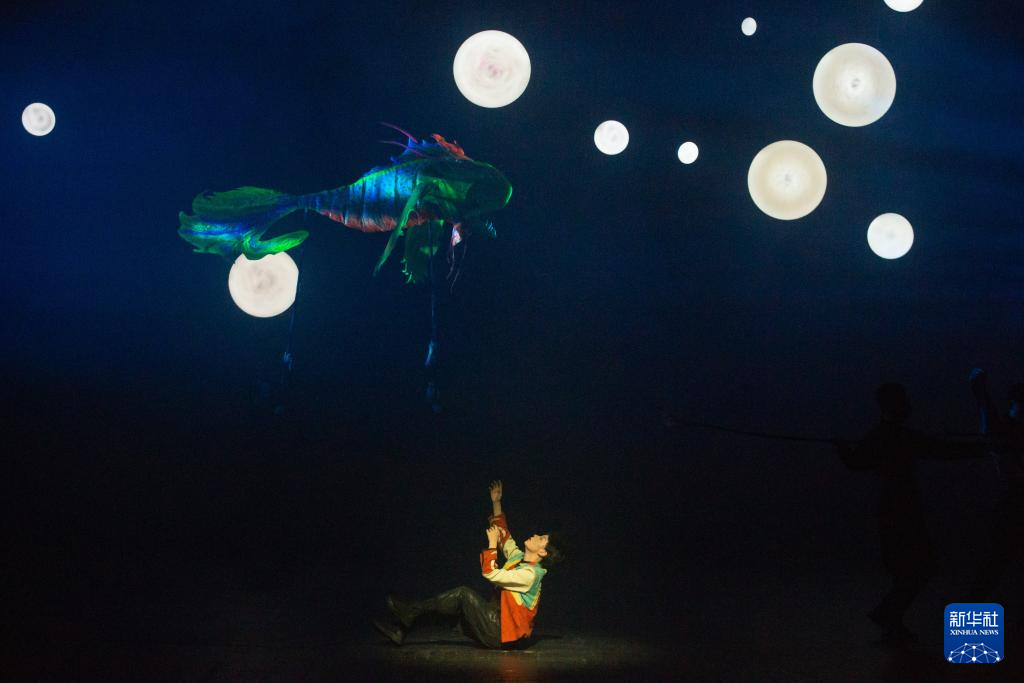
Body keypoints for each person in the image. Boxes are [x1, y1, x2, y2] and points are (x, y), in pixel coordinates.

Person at [836, 382, 984, 644]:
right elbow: (943, 450)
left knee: (906, 568)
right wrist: (983, 449)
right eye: (903, 402)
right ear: (893, 405)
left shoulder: (879, 436)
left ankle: (891, 621)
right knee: (920, 567)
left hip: (890, 509)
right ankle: (887, 616)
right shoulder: (898, 437)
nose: (908, 407)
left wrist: (843, 450)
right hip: (902, 510)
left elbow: (856, 463)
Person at [373, 480, 563, 649]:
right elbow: (504, 535)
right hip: (495, 623)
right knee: (450, 609)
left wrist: (491, 544)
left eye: (541, 538)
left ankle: (409, 612)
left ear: (543, 552)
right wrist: (496, 502)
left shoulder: (530, 575)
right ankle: (401, 630)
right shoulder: (518, 558)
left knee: (462, 594)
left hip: (501, 633)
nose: (536, 535)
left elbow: (491, 573)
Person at [968, 369, 1024, 603]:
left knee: (997, 562)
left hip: (1010, 503)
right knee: (997, 561)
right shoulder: (1007, 430)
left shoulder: (1007, 429)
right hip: (1011, 504)